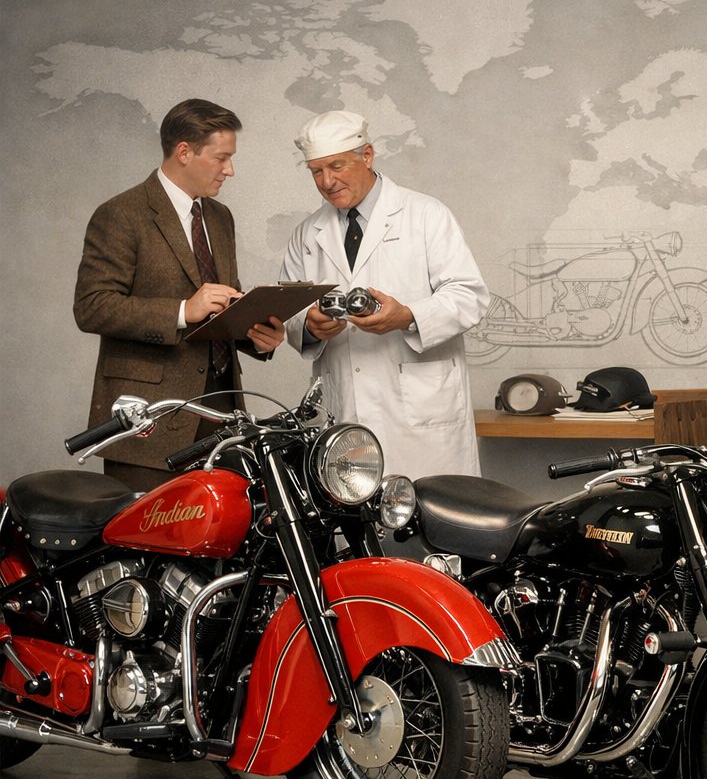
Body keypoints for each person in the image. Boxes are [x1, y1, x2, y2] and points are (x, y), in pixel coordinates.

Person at [74, 98, 285, 492]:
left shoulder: (220, 218)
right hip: (149, 424)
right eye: (222, 158)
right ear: (184, 152)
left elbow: (219, 306)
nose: (230, 170)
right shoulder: (120, 214)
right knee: (152, 546)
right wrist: (182, 310)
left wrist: (255, 336)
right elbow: (92, 307)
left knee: (227, 546)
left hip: (224, 413)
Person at [280, 110, 487, 478]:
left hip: (421, 415)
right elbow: (288, 314)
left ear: (368, 156)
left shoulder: (425, 214)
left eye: (336, 166)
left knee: (433, 520)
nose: (327, 181)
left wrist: (407, 316)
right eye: (316, 171)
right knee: (358, 529)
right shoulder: (307, 234)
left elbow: (469, 296)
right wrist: (309, 324)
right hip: (346, 415)